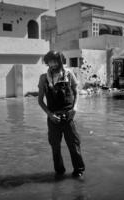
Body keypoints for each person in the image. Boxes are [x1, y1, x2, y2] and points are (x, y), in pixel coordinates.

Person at [38, 50, 85, 179]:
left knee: (74, 145)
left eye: (54, 61)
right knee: (55, 147)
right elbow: (40, 100)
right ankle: (59, 173)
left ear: (60, 61)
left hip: (69, 117)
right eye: (49, 62)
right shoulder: (43, 78)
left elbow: (76, 92)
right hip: (53, 118)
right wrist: (49, 114)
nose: (52, 64)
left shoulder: (69, 74)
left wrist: (75, 108)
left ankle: (79, 173)